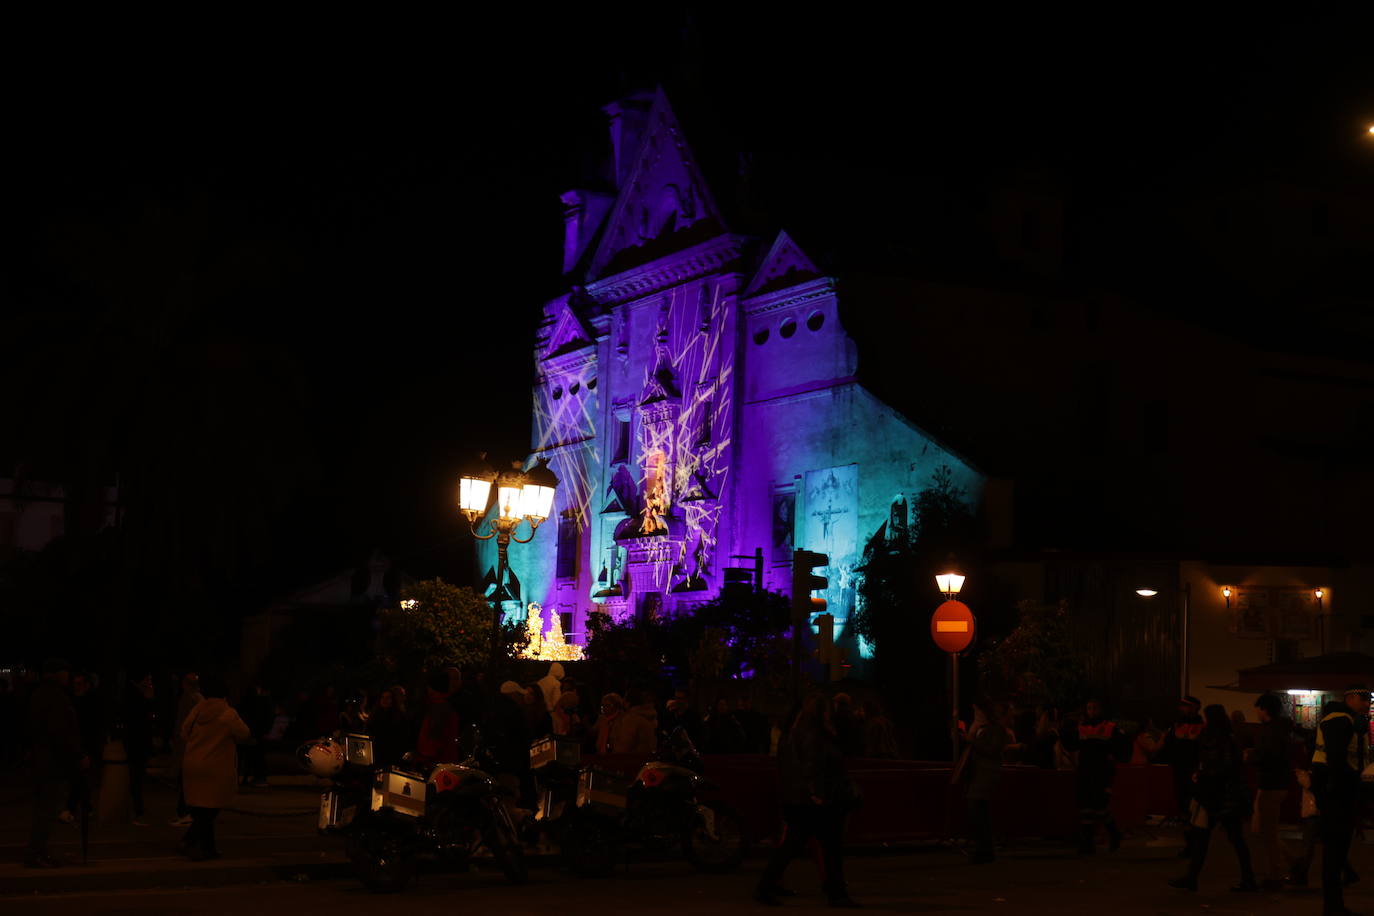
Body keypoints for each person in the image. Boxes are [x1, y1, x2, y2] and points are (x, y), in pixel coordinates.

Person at [755, 692, 858, 907]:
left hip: (799, 799)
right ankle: (836, 892)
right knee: (829, 846)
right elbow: (814, 765)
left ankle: (766, 886)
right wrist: (817, 793)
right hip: (814, 801)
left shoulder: (794, 733)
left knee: (795, 845)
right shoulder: (814, 734)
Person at [1169, 704, 1257, 893]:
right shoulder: (1229, 737)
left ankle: (1192, 878)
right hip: (1228, 796)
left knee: (1203, 836)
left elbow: (1217, 766)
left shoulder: (1214, 738)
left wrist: (1201, 776)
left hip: (1213, 795)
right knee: (1234, 839)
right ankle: (1248, 878)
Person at [179, 675, 250, 860]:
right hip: (216, 766)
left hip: (193, 763)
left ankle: (203, 845)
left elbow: (184, 731)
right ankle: (195, 843)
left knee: (202, 809)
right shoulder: (228, 713)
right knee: (211, 809)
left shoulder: (198, 709)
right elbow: (244, 734)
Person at [25, 658, 86, 868]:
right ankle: (36, 853)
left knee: (43, 809)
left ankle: (38, 851)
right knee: (47, 810)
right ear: (59, 674)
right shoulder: (56, 697)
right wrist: (77, 756)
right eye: (66, 673)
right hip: (51, 763)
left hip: (41, 759)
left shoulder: (38, 694)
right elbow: (61, 732)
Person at [1311, 696, 1366, 915]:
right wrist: (1342, 787)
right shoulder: (1340, 720)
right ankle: (1333, 907)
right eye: (1363, 698)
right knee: (1335, 851)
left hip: (1333, 794)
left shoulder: (1341, 719)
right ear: (1350, 698)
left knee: (1335, 851)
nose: (1367, 703)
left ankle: (1334, 905)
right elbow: (1337, 759)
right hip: (1336, 796)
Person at [1060, 699, 1127, 855]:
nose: (1091, 711)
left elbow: (1122, 748)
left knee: (1100, 806)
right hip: (1085, 770)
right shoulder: (1082, 727)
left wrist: (1113, 760)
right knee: (1085, 806)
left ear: (1101, 710)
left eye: (1095, 708)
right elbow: (1071, 744)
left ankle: (1114, 833)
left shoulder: (1110, 728)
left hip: (1102, 772)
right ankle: (1088, 844)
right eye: (1089, 708)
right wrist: (1065, 727)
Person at [1247, 693, 1293, 890]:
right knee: (1267, 830)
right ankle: (1293, 862)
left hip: (1271, 785)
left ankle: (1275, 874)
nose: (1256, 712)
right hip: (1278, 784)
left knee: (1268, 832)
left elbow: (1268, 756)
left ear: (1264, 709)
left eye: (1257, 708)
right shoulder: (1280, 730)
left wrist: (1251, 757)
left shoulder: (1270, 732)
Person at [963, 701, 1010, 864]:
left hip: (987, 773)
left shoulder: (996, 730)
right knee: (979, 810)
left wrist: (973, 741)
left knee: (976, 807)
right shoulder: (980, 729)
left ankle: (983, 848)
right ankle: (984, 848)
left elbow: (992, 750)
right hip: (979, 773)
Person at [62, 671, 104, 825]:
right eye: (75, 684)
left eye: (80, 684)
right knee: (81, 778)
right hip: (79, 745)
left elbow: (92, 727)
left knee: (79, 778)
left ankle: (72, 808)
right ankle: (86, 807)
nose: (76, 687)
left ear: (87, 685)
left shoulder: (90, 702)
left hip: (86, 746)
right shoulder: (76, 701)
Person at [1163, 696, 1204, 828]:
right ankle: (1183, 815)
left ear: (1194, 708)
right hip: (1178, 765)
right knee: (1180, 791)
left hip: (1194, 765)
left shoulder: (1202, 725)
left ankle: (1193, 817)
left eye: (1185, 705)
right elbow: (1169, 743)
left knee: (1193, 791)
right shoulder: (1176, 724)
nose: (1181, 708)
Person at [169, 672, 204, 827]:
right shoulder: (198, 699)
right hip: (191, 744)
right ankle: (186, 811)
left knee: (185, 780)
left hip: (188, 745)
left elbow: (184, 723)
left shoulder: (189, 699)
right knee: (186, 780)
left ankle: (185, 812)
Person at [123, 672, 156, 825]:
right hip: (137, 744)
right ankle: (138, 813)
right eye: (147, 679)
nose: (150, 682)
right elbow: (141, 724)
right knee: (136, 779)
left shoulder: (135, 697)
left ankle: (136, 811)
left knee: (136, 779)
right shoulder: (137, 699)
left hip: (136, 744)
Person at [414, 670, 462, 766]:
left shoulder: (439, 707)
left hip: (436, 762)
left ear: (434, 688)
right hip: (441, 759)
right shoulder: (443, 705)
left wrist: (424, 758)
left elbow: (435, 737)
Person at [366, 688, 410, 768]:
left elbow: (403, 737)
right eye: (382, 697)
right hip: (376, 754)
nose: (384, 700)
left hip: (392, 756)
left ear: (393, 700)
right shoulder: (374, 715)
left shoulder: (399, 717)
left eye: (388, 698)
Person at [831, 693, 866, 758]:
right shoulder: (853, 716)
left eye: (835, 703)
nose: (834, 705)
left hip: (842, 751)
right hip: (853, 751)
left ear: (838, 703)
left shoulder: (838, 715)